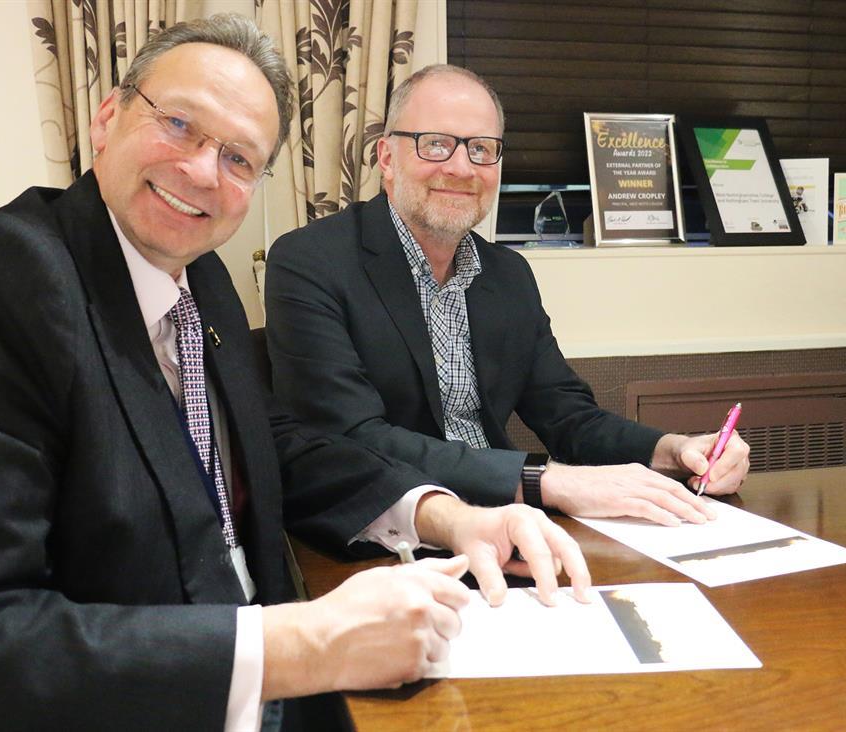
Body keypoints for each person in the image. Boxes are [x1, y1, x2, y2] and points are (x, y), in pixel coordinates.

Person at [0, 21, 590, 732]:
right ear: (107, 118)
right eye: (179, 125)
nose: (202, 172)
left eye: (238, 158)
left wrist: (448, 513)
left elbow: (276, 446)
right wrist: (305, 644)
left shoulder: (202, 278)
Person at [265, 64, 751, 529]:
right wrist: (546, 482)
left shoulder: (508, 274)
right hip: (387, 532)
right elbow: (352, 439)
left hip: (511, 518)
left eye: (482, 148)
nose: (461, 167)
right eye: (435, 145)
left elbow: (568, 417)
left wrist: (675, 448)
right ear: (387, 158)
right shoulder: (311, 262)